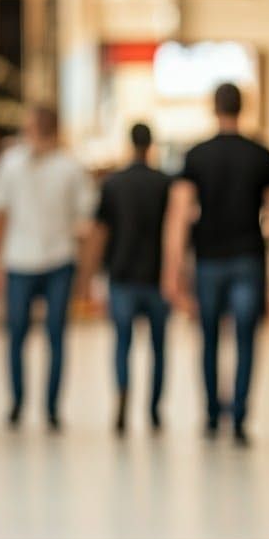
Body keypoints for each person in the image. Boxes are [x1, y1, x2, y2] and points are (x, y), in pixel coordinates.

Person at [161, 83, 269, 446]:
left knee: (210, 337)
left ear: (213, 108)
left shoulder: (196, 155)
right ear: (242, 107)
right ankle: (241, 416)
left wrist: (174, 267)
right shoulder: (262, 154)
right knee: (246, 339)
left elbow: (179, 215)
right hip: (248, 257)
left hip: (209, 260)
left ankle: (213, 414)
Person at [0, 105, 94, 431]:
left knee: (56, 336)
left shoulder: (71, 169)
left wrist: (84, 272)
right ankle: (18, 402)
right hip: (19, 259)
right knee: (16, 333)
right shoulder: (11, 164)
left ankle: (50, 407)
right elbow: (1, 215)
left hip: (59, 260)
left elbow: (85, 222)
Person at [81, 123, 172, 435]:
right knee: (159, 348)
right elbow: (174, 234)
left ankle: (122, 397)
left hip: (121, 275)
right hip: (156, 276)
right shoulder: (165, 183)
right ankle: (154, 408)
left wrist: (88, 275)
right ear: (151, 145)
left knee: (122, 344)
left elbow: (99, 233)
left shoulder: (113, 184)